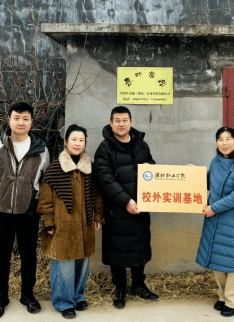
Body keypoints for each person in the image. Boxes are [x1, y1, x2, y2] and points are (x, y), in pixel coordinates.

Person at [0, 102, 51, 319]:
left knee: (28, 255)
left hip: (28, 212)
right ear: (9, 119)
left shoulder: (41, 149)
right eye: (17, 118)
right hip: (1, 211)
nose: (21, 122)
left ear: (31, 122)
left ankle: (27, 295)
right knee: (1, 255)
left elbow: (44, 179)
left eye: (25, 118)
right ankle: (1, 297)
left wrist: (32, 198)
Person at [94, 106, 158, 309]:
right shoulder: (105, 148)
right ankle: (120, 288)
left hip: (141, 207)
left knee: (139, 246)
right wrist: (126, 201)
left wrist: (152, 169)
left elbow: (151, 167)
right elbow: (105, 180)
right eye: (117, 120)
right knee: (118, 251)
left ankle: (139, 285)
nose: (121, 124)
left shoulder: (141, 144)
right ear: (111, 123)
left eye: (125, 120)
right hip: (117, 210)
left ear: (130, 122)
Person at [37, 125, 104, 319]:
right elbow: (45, 199)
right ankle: (63, 302)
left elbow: (97, 195)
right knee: (64, 266)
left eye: (81, 140)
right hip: (62, 226)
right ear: (66, 142)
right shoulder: (56, 168)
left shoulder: (89, 167)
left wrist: (97, 216)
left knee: (82, 264)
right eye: (74, 139)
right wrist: (49, 222)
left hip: (85, 224)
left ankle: (77, 296)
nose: (77, 143)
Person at [196, 127, 234, 318]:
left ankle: (233, 301)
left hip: (233, 219)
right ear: (217, 143)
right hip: (215, 218)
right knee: (218, 260)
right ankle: (222, 296)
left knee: (233, 262)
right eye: (220, 139)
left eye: (228, 139)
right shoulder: (216, 161)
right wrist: (192, 174)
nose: (224, 143)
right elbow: (207, 182)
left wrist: (214, 208)